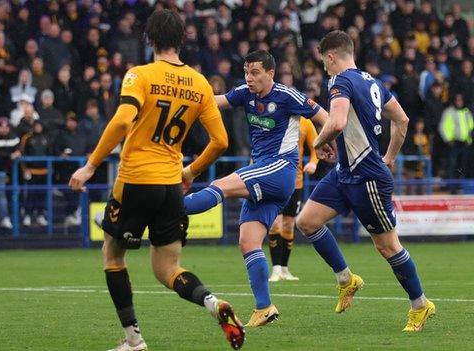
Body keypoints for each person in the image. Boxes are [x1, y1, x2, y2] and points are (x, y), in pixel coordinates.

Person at [69, 9, 245, 351]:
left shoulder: (140, 76)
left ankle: (133, 339)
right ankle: (212, 303)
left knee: (113, 255)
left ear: (149, 39)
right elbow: (221, 141)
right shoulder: (199, 83)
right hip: (170, 186)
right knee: (168, 269)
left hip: (136, 179)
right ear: (181, 40)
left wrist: (90, 166)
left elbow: (122, 121)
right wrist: (191, 171)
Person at [295, 30, 435, 332]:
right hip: (345, 172)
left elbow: (337, 121)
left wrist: (317, 143)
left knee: (387, 247)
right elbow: (402, 119)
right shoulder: (373, 82)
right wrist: (390, 157)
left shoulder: (340, 81)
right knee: (306, 221)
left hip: (366, 178)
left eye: (324, 63)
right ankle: (346, 279)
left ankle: (420, 304)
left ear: (331, 56)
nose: (325, 69)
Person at [183, 50, 328, 327]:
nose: (249, 78)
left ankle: (167, 208)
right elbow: (216, 102)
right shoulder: (244, 93)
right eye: (247, 72)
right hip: (264, 172)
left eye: (255, 73)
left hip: (280, 169)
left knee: (219, 185)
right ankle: (264, 307)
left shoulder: (288, 96)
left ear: (270, 74)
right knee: (248, 242)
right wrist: (187, 99)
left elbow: (325, 116)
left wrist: (323, 143)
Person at [268, 116, 319, 282]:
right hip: (274, 179)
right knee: (275, 223)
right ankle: (275, 270)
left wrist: (313, 163)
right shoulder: (273, 117)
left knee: (289, 225)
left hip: (295, 182)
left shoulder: (306, 123)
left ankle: (284, 269)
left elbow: (316, 147)